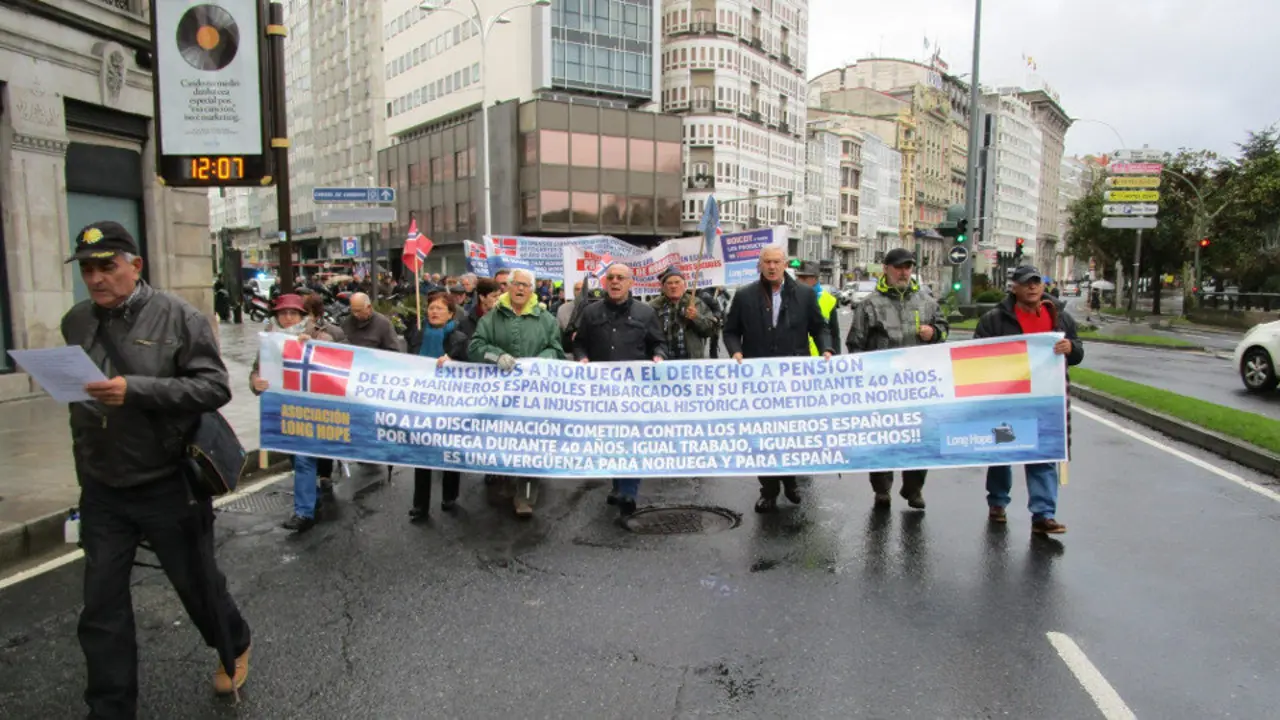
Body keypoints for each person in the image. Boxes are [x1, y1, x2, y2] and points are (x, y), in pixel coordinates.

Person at [60, 221, 252, 715]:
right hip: (103, 487)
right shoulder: (75, 322)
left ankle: (234, 641)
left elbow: (214, 387)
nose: (96, 278)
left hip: (167, 482)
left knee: (197, 586)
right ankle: (110, 708)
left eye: (107, 267)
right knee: (101, 607)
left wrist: (137, 391)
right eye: (87, 269)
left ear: (135, 266)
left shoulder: (179, 317)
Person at [975, 265, 1084, 535]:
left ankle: (1044, 514)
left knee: (1043, 453)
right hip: (1006, 399)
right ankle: (998, 502)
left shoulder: (1059, 317)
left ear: (1043, 286)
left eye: (1036, 282)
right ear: (1014, 287)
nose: (1032, 287)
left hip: (1046, 399)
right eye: (1026, 283)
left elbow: (1078, 351)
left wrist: (1071, 348)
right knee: (1002, 452)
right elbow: (976, 353)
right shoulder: (995, 319)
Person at [723, 246, 833, 513]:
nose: (772, 267)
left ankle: (791, 480)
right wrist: (736, 351)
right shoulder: (745, 295)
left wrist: (827, 349)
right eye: (767, 262)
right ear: (760, 265)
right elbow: (731, 330)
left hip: (794, 378)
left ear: (785, 264)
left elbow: (819, 327)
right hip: (758, 379)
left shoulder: (804, 294)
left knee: (791, 433)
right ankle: (769, 490)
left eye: (776, 262)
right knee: (763, 436)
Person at [846, 248, 949, 510]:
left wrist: (934, 332)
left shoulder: (926, 302)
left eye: (908, 267)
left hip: (918, 387)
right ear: (886, 269)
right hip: (883, 389)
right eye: (898, 267)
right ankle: (882, 489)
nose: (904, 272)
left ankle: (913, 489)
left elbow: (943, 329)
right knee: (882, 441)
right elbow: (855, 343)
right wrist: (864, 377)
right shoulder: (870, 304)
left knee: (919, 438)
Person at [468, 268, 564, 517]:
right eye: (516, 284)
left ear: (532, 289)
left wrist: (544, 359)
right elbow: (475, 347)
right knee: (505, 439)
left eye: (525, 285)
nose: (520, 289)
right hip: (501, 396)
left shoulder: (546, 319)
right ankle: (505, 478)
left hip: (534, 396)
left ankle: (526, 498)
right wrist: (496, 356)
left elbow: (557, 350)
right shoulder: (491, 318)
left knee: (531, 444)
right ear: (508, 287)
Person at [575, 263, 667, 516]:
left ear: (630, 283)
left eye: (620, 278)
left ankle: (629, 491)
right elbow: (579, 343)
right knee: (612, 439)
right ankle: (618, 485)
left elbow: (659, 343)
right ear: (605, 282)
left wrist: (659, 356)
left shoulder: (646, 312)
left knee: (632, 438)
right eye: (611, 277)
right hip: (603, 391)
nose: (615, 281)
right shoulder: (590, 312)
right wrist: (582, 357)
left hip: (634, 391)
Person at [250, 294, 341, 533]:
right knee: (294, 458)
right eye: (283, 313)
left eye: (293, 313)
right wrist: (256, 382)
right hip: (284, 409)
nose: (288, 317)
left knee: (303, 459)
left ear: (302, 316)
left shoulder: (319, 336)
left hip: (312, 411)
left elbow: (337, 363)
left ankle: (304, 512)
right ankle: (313, 496)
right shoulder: (270, 340)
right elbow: (257, 370)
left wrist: (314, 348)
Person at [409, 290, 470, 520]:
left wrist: (453, 362)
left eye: (439, 308)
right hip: (422, 401)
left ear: (451, 313)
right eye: (431, 308)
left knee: (449, 449)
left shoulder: (459, 338)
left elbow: (469, 368)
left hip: (449, 403)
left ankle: (449, 495)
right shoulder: (417, 334)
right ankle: (420, 505)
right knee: (421, 453)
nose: (434, 312)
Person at [302, 293, 345, 495]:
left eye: (307, 314)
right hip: (300, 397)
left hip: (323, 394)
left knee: (323, 433)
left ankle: (324, 474)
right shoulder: (282, 334)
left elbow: (343, 360)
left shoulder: (332, 333)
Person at [648, 267, 716, 360]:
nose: (673, 286)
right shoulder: (653, 306)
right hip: (662, 361)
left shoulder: (696, 303)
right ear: (663, 287)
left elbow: (710, 331)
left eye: (677, 282)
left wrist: (696, 317)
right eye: (669, 283)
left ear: (684, 286)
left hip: (690, 362)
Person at [794, 260, 841, 356]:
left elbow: (834, 335)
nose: (799, 281)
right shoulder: (791, 296)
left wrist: (836, 357)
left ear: (815, 278)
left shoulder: (829, 300)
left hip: (821, 358)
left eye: (804, 278)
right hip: (798, 358)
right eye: (798, 277)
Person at [697, 285, 727, 359]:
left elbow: (724, 302)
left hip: (716, 318)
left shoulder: (721, 292)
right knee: (703, 337)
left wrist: (722, 291)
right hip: (706, 318)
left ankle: (713, 355)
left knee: (715, 337)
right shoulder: (706, 293)